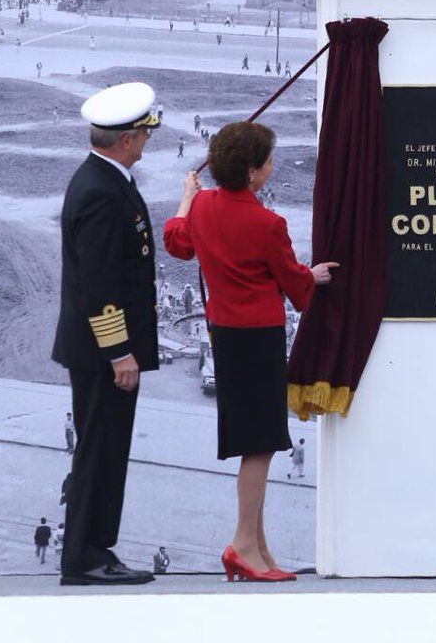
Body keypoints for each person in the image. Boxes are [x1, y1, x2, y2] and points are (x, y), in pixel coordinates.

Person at [163, 122, 338, 583]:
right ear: (254, 173)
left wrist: (186, 196)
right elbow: (295, 287)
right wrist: (311, 276)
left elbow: (177, 242)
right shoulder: (268, 223)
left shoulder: (201, 206)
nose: (271, 167)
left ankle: (259, 548)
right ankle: (242, 545)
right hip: (259, 337)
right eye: (267, 162)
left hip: (226, 335)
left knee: (255, 441)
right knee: (260, 445)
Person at [52, 82, 160, 587]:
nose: (146, 141)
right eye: (143, 134)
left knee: (104, 448)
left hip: (100, 349)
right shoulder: (99, 191)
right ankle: (86, 557)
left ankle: (92, 550)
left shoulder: (106, 178)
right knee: (99, 449)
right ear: (127, 140)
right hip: (103, 353)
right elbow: (99, 286)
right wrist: (120, 352)